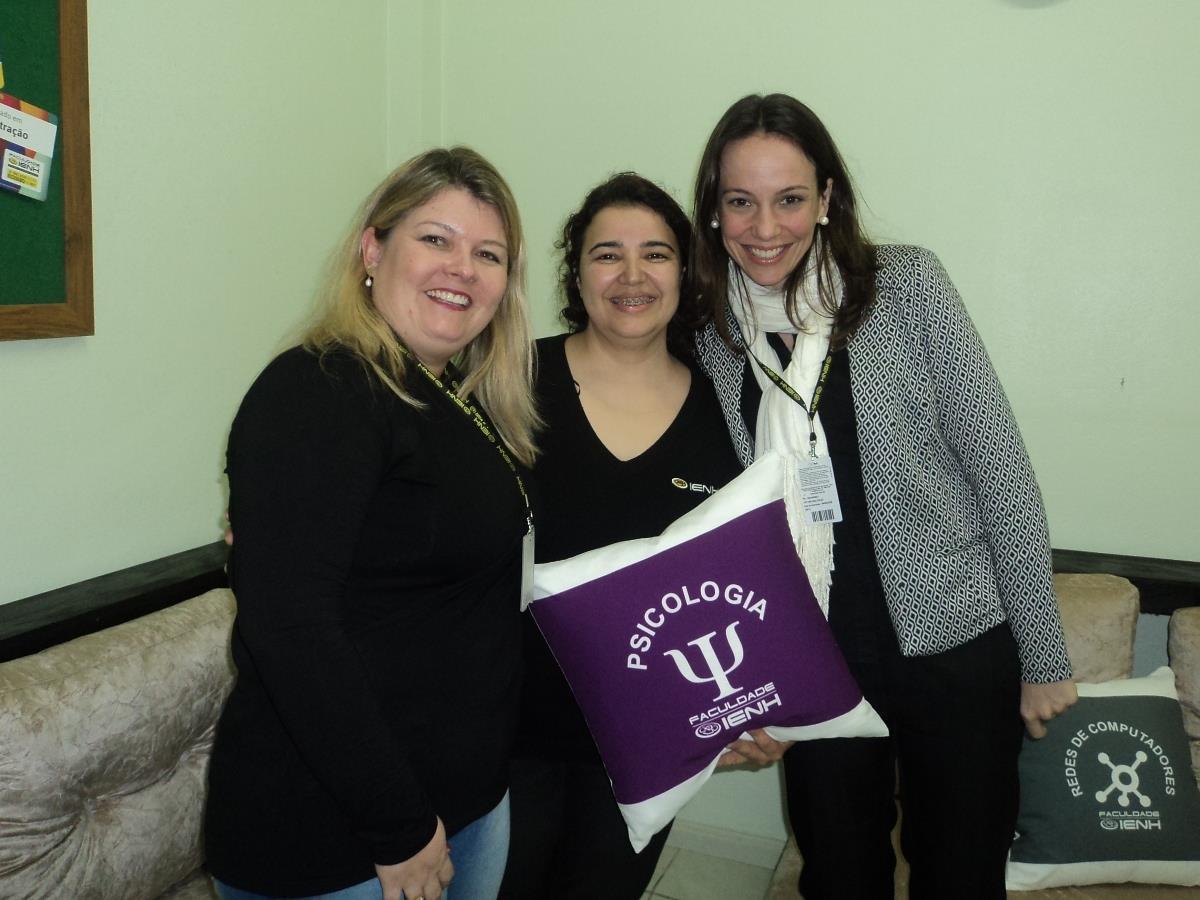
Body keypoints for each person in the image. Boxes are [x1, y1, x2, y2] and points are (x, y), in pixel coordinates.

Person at [689, 94, 1079, 900]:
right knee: (838, 874)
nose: (766, 227)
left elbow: (1001, 470)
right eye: (741, 201)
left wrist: (1043, 658)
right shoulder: (705, 333)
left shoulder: (906, 285)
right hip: (816, 657)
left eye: (790, 198)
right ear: (715, 211)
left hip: (955, 645)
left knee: (962, 873)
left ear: (827, 199)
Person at [205, 147, 539, 900]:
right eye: (435, 239)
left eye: (487, 254)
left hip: (462, 803)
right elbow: (290, 629)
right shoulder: (320, 386)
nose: (463, 267)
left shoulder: (448, 397)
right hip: (346, 833)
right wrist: (399, 826)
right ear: (372, 248)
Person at [498, 174, 748, 900]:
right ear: (576, 272)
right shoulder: (508, 376)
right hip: (509, 730)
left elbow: (745, 573)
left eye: (657, 254)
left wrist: (751, 704)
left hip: (649, 740)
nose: (632, 276)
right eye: (608, 254)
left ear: (687, 269)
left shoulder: (726, 407)